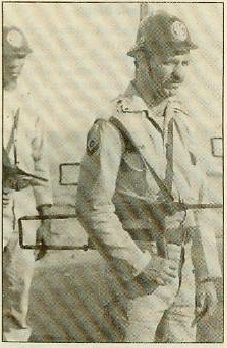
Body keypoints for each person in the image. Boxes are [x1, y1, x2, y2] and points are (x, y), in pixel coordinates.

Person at [75, 11, 222, 342]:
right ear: (142, 60)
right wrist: (139, 263)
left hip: (183, 271)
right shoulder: (114, 124)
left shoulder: (182, 121)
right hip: (140, 277)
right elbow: (90, 207)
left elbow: (197, 202)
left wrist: (206, 274)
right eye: (170, 62)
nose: (179, 74)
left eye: (185, 63)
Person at [3, 26, 53, 341]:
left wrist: (45, 215)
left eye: (20, 57)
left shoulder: (29, 102)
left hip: (23, 205)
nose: (14, 64)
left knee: (18, 287)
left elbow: (39, 161)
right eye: (7, 57)